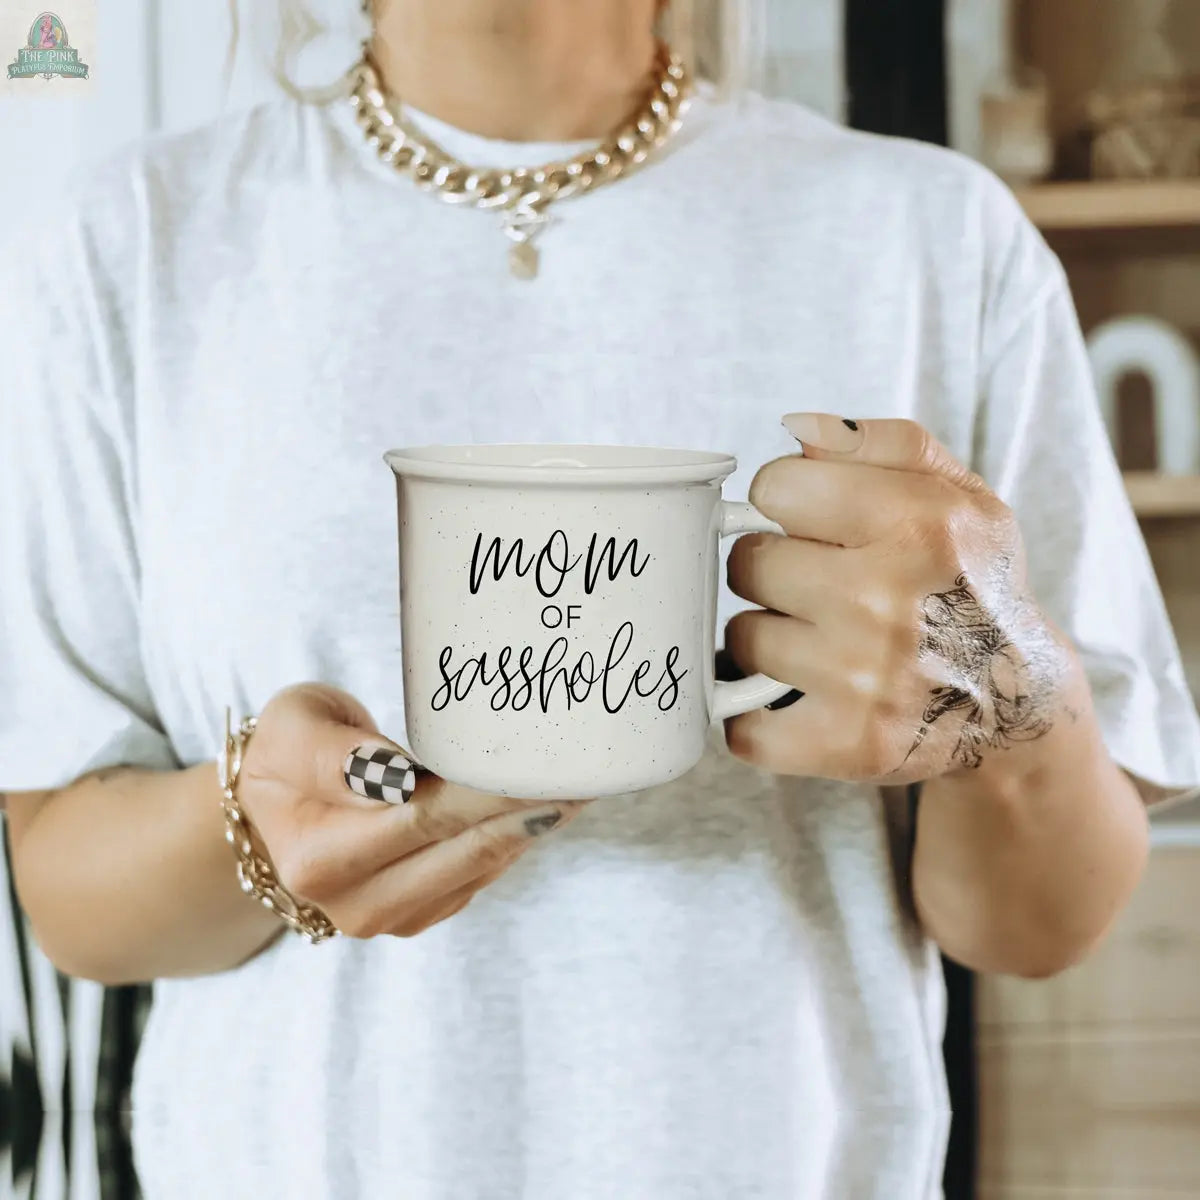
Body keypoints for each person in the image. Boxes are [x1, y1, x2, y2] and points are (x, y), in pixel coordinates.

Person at [2, 0, 1198, 1196]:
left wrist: (1000, 697)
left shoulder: (933, 234)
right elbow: (75, 907)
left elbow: (1040, 927)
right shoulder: (138, 235)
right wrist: (254, 827)